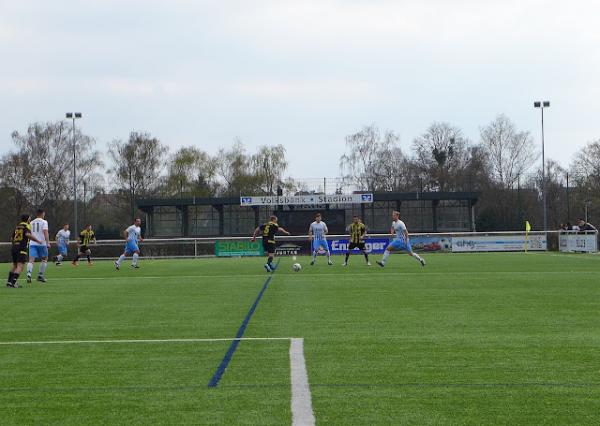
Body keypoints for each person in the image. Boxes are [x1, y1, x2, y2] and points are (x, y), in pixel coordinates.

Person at [7, 215, 42, 288]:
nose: (30, 219)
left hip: (14, 247)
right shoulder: (27, 226)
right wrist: (37, 241)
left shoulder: (17, 226)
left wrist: (16, 244)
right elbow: (28, 234)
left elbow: (11, 238)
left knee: (15, 265)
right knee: (20, 266)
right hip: (21, 248)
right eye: (29, 218)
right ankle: (14, 282)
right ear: (27, 219)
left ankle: (9, 282)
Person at [27, 209, 51, 283]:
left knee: (31, 259)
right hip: (42, 243)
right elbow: (45, 232)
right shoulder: (44, 222)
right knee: (45, 258)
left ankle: (29, 274)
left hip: (32, 243)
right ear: (42, 214)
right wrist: (48, 242)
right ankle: (40, 276)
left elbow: (29, 233)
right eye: (44, 214)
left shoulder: (31, 222)